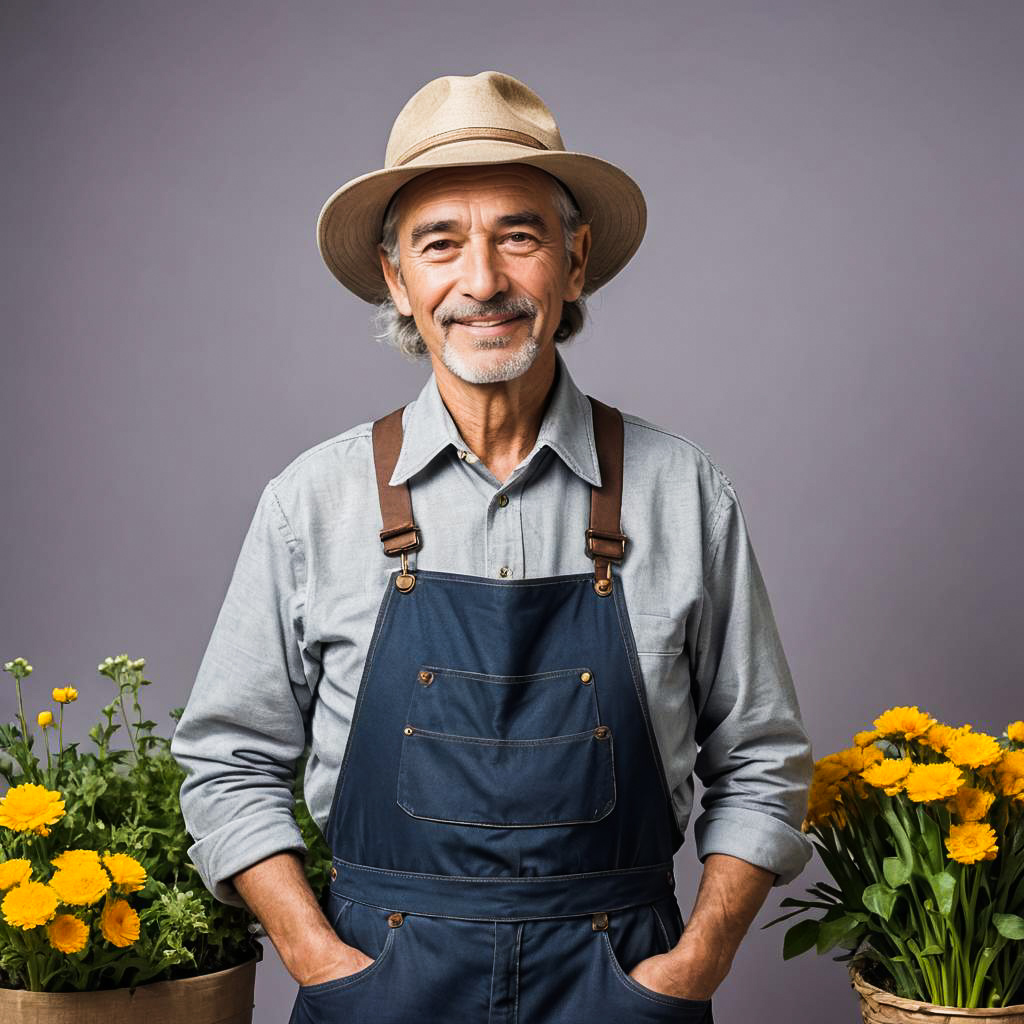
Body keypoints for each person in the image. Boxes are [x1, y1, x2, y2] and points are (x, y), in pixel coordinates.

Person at [170, 70, 814, 1024]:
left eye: (519, 236)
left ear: (575, 260)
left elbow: (761, 759)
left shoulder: (685, 493)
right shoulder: (314, 502)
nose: (482, 282)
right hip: (378, 983)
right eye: (441, 244)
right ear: (397, 277)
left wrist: (696, 964)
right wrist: (319, 960)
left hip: (620, 983)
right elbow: (227, 758)